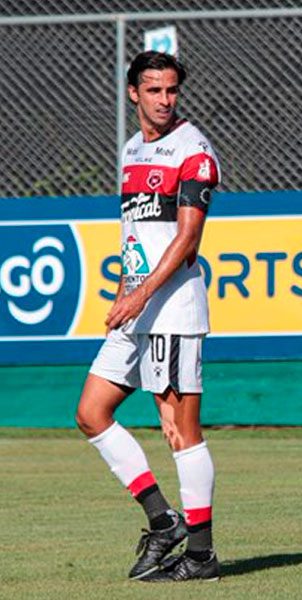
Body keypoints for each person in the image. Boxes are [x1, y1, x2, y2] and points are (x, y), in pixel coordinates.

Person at [74, 51, 221, 582]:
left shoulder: (194, 150)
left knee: (180, 430)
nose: (164, 99)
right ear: (133, 92)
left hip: (174, 309)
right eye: (154, 90)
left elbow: (186, 241)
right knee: (91, 411)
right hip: (137, 307)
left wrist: (140, 297)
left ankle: (201, 556)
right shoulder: (132, 149)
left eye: (172, 90)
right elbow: (135, 235)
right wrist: (123, 291)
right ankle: (162, 521)